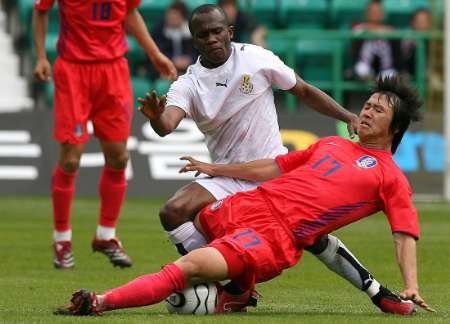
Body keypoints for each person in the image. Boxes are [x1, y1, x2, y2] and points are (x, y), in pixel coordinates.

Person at [62, 76, 435, 316]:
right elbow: (271, 168)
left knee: (187, 271)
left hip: (273, 237)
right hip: (247, 205)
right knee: (182, 217)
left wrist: (411, 284)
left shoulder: (390, 177)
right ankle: (237, 290)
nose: (366, 111)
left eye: (377, 110)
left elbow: (404, 233)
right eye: (367, 105)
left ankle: (99, 302)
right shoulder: (333, 143)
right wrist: (216, 169)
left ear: (396, 126)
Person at [134, 4, 412, 314]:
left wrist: (347, 115)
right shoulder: (189, 84)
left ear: (229, 32)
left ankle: (376, 291)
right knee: (173, 211)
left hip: (272, 169)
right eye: (203, 35)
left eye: (216, 31)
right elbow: (167, 124)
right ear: (194, 41)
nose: (211, 39)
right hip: (227, 172)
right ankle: (234, 286)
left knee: (313, 236)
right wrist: (158, 117)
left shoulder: (256, 58)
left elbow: (304, 90)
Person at [32, 0, 177, 269]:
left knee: (119, 158)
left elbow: (130, 13)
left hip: (113, 71)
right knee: (71, 159)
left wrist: (154, 54)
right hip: (74, 70)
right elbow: (40, 11)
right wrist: (41, 56)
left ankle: (106, 236)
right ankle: (62, 240)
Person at [147, 1, 198, 79]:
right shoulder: (159, 30)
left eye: (175, 17)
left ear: (183, 17)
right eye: (169, 16)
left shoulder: (192, 31)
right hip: (164, 71)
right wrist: (172, 60)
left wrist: (189, 59)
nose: (171, 19)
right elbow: (155, 52)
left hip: (190, 70)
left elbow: (197, 52)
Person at [352, 0, 397, 80]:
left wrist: (379, 31)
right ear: (366, 13)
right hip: (364, 65)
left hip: (386, 68)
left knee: (390, 76)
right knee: (361, 69)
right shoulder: (360, 28)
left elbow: (396, 33)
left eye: (378, 11)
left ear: (383, 14)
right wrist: (378, 31)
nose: (375, 14)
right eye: (372, 11)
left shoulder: (390, 29)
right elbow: (357, 31)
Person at [399, 9, 432, 79]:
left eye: (424, 21)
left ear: (430, 24)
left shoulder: (434, 42)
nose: (421, 24)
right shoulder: (406, 40)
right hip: (408, 77)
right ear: (412, 23)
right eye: (418, 21)